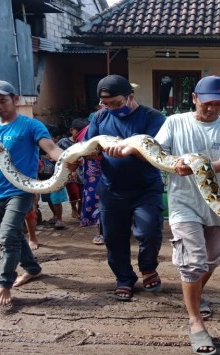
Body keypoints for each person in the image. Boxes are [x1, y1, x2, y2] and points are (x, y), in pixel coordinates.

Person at [150, 76, 220, 355]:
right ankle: (195, 322)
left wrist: (194, 165)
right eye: (207, 103)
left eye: (219, 104)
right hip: (184, 203)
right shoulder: (175, 122)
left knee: (212, 258)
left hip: (218, 204)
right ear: (194, 98)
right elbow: (158, 153)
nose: (212, 109)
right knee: (193, 261)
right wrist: (172, 163)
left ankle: (194, 295)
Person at [0, 80, 64, 306]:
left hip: (21, 190)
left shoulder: (31, 126)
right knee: (14, 236)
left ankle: (4, 282)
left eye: (3, 101)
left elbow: (52, 149)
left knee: (7, 236)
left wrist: (70, 158)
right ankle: (32, 269)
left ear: (16, 99)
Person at [83, 74, 166, 301]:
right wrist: (88, 153)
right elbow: (91, 149)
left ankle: (148, 267)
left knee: (149, 231)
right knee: (113, 237)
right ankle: (124, 278)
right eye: (106, 104)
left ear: (130, 97)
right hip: (111, 189)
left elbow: (158, 152)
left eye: (117, 104)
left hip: (145, 188)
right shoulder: (100, 118)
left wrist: (130, 149)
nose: (111, 108)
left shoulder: (153, 117)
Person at [39, 124, 68, 229]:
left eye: (48, 136)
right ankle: (55, 215)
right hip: (44, 178)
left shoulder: (59, 149)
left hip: (56, 178)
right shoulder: (39, 149)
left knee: (55, 199)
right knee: (48, 199)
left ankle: (60, 219)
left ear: (55, 138)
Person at [57, 118, 87, 220]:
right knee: (74, 193)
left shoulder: (85, 143)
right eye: (77, 131)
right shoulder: (63, 142)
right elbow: (56, 155)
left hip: (83, 173)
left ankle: (80, 212)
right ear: (71, 130)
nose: (79, 134)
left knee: (82, 194)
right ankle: (73, 208)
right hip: (69, 173)